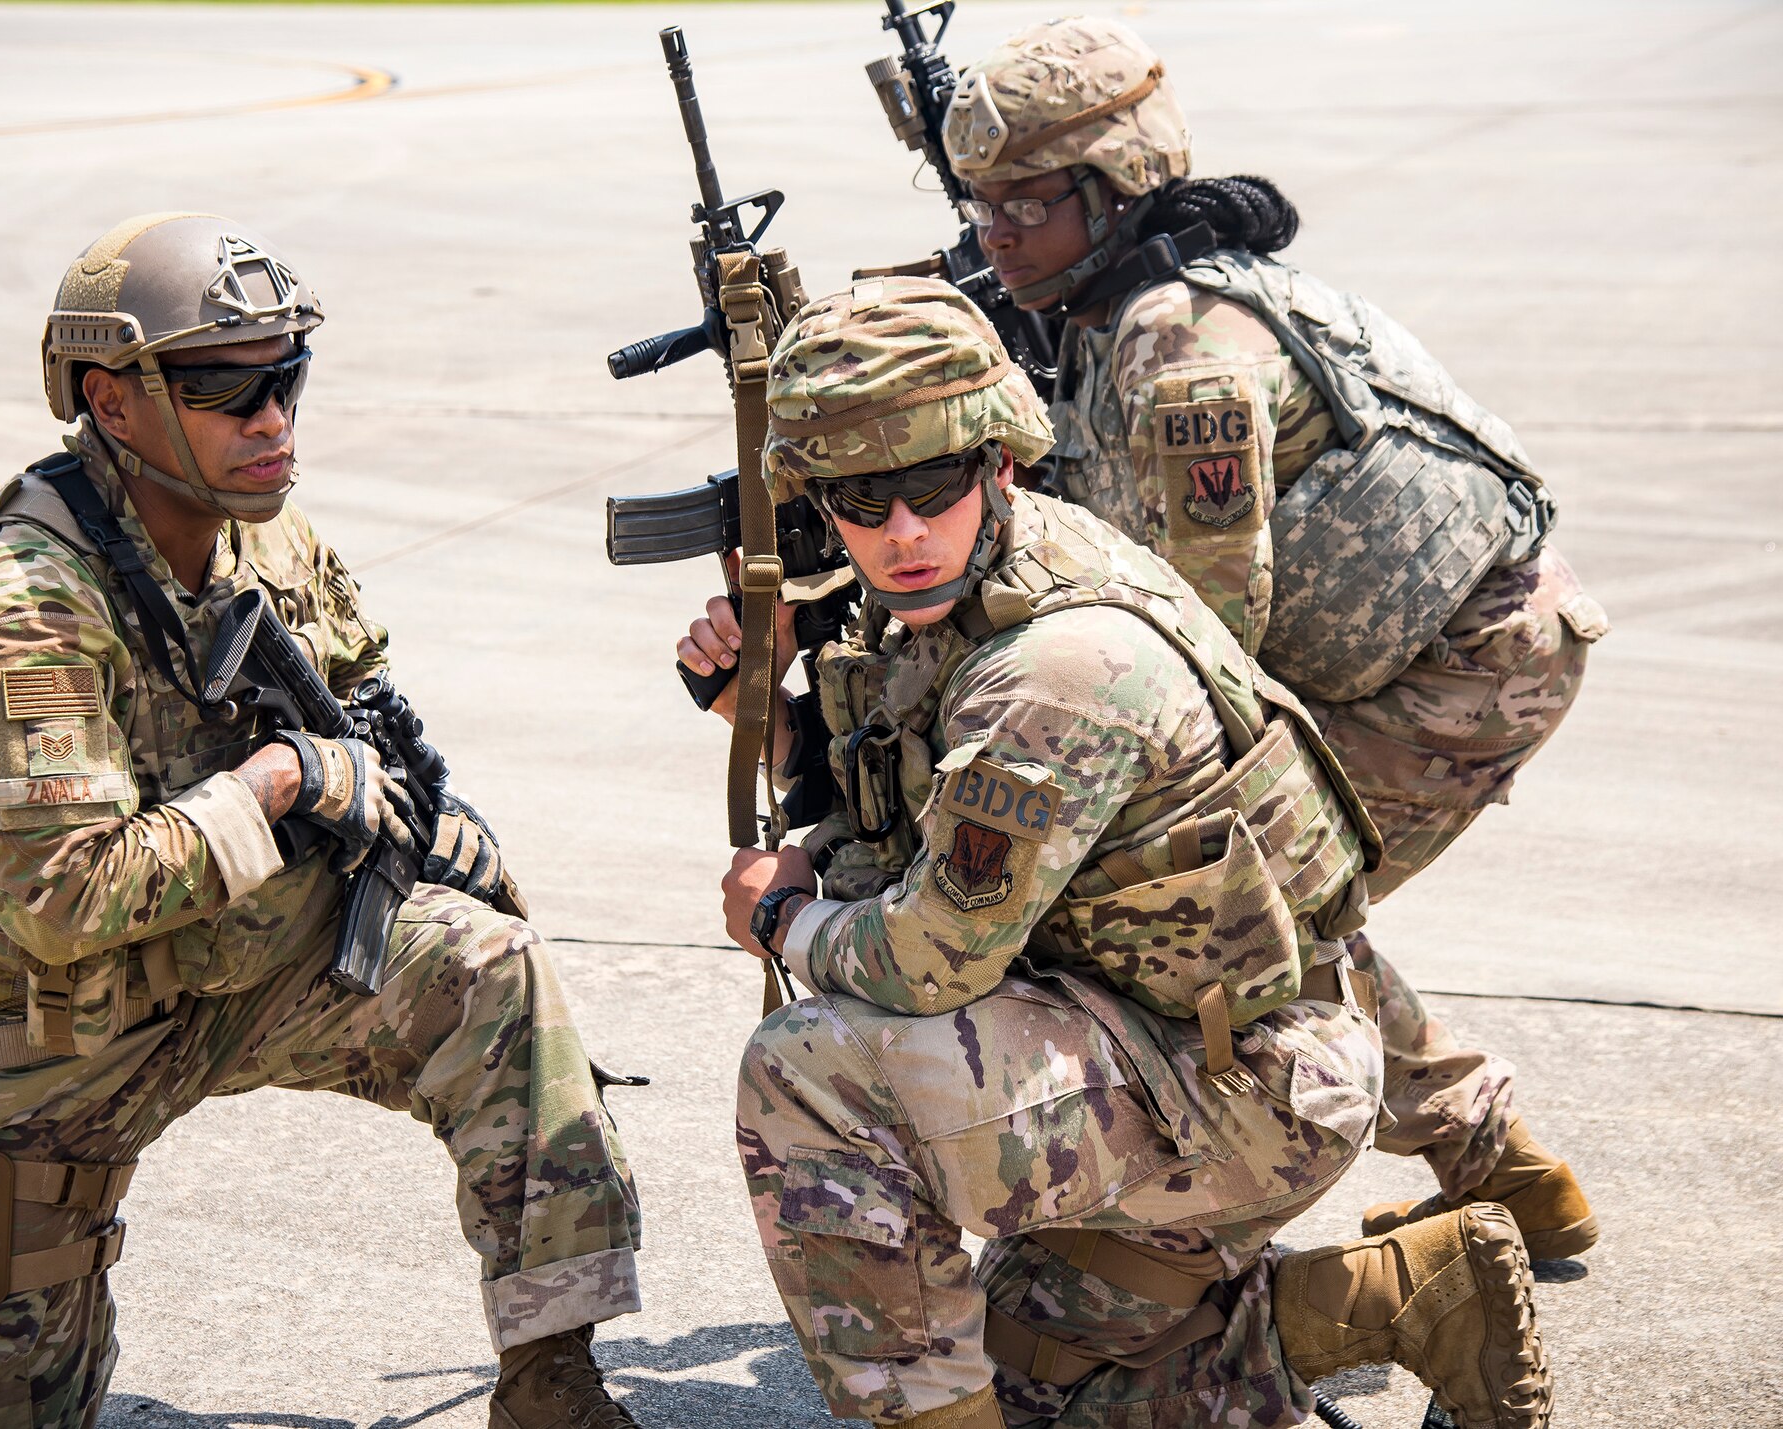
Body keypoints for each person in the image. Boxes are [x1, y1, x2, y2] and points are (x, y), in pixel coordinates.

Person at [0, 213, 648, 1429]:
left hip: (247, 965)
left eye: (286, 375)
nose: (272, 417)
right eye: (222, 386)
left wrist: (422, 822)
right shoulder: (22, 605)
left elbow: (367, 718)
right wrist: (284, 785)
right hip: (53, 1034)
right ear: (112, 401)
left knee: (492, 972)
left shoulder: (270, 538)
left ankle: (552, 1380)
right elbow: (65, 900)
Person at [683, 275, 1550, 1428]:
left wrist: (779, 915)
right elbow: (908, 808)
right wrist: (773, 716)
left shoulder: (1054, 664)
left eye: (931, 485)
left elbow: (924, 963)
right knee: (1037, 1384)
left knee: (807, 1074)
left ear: (997, 462)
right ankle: (1404, 1296)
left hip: (1237, 1089)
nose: (898, 531)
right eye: (857, 498)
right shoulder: (975, 581)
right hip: (1173, 1041)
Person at [939, 15, 1608, 1259]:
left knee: (1239, 895)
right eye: (980, 207)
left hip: (1465, 671)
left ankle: (1303, 1198)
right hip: (1411, 650)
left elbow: (1211, 651)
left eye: (1027, 203)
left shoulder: (1177, 352)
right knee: (1272, 892)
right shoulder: (1117, 308)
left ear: (1114, 186)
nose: (996, 236)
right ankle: (1505, 1168)